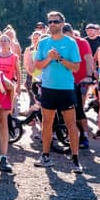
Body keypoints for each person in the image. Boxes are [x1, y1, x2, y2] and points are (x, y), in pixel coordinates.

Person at [33, 11, 83, 173]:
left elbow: (76, 67)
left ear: (62, 24)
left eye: (55, 21)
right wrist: (49, 58)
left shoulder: (70, 43)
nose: (52, 24)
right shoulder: (43, 43)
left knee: (71, 124)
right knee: (47, 123)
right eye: (50, 22)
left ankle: (75, 159)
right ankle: (45, 156)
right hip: (48, 88)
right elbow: (38, 65)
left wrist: (60, 58)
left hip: (66, 89)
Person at [62, 23, 94, 148]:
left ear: (71, 33)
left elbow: (88, 59)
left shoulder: (82, 43)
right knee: (68, 109)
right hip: (66, 81)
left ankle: (84, 135)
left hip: (81, 80)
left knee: (79, 108)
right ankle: (71, 135)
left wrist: (89, 76)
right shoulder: (62, 43)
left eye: (67, 35)